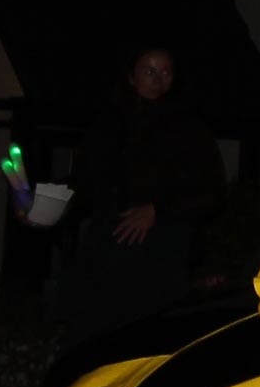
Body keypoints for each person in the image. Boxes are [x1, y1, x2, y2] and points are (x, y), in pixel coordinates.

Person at [56, 44, 222, 340]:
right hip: (107, 254)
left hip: (161, 258)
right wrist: (48, 204)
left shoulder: (189, 128)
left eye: (165, 72)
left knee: (149, 336)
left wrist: (158, 210)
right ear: (131, 76)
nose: (158, 79)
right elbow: (85, 182)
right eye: (149, 71)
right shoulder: (109, 124)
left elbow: (210, 191)